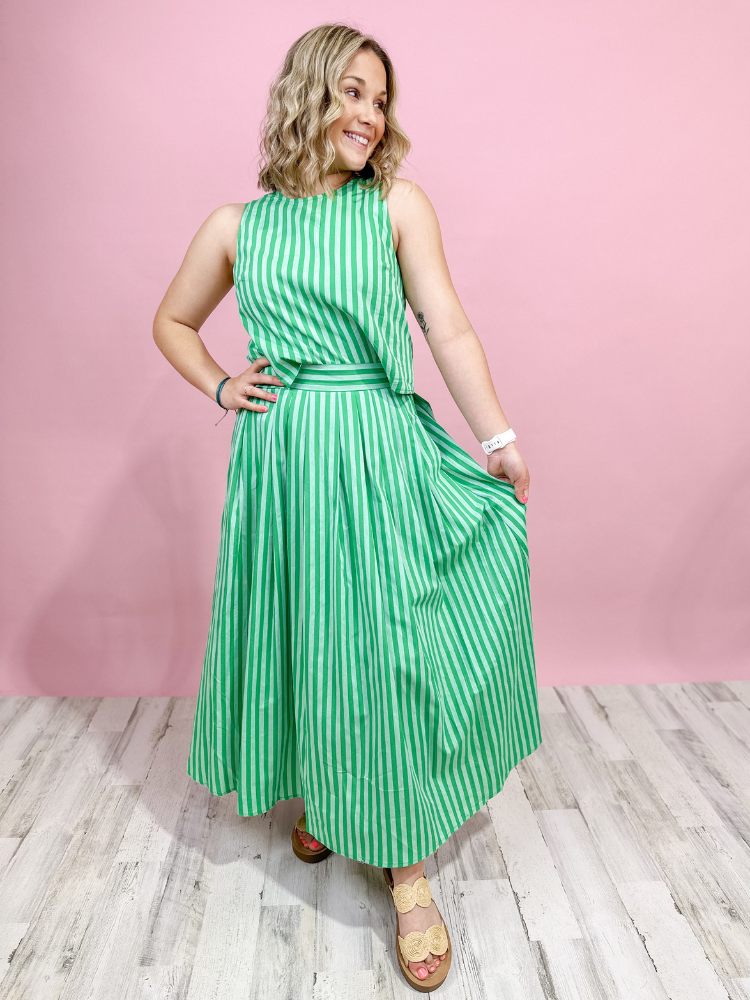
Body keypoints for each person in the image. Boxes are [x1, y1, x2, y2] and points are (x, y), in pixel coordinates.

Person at [153, 22, 541, 992]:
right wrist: (220, 384)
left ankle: (405, 868)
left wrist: (496, 437)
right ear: (308, 95)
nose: (371, 114)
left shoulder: (396, 206)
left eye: (381, 98)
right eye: (353, 92)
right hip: (282, 461)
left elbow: (446, 326)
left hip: (375, 450)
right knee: (304, 635)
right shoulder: (236, 227)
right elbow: (173, 320)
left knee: (384, 646)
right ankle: (328, 796)